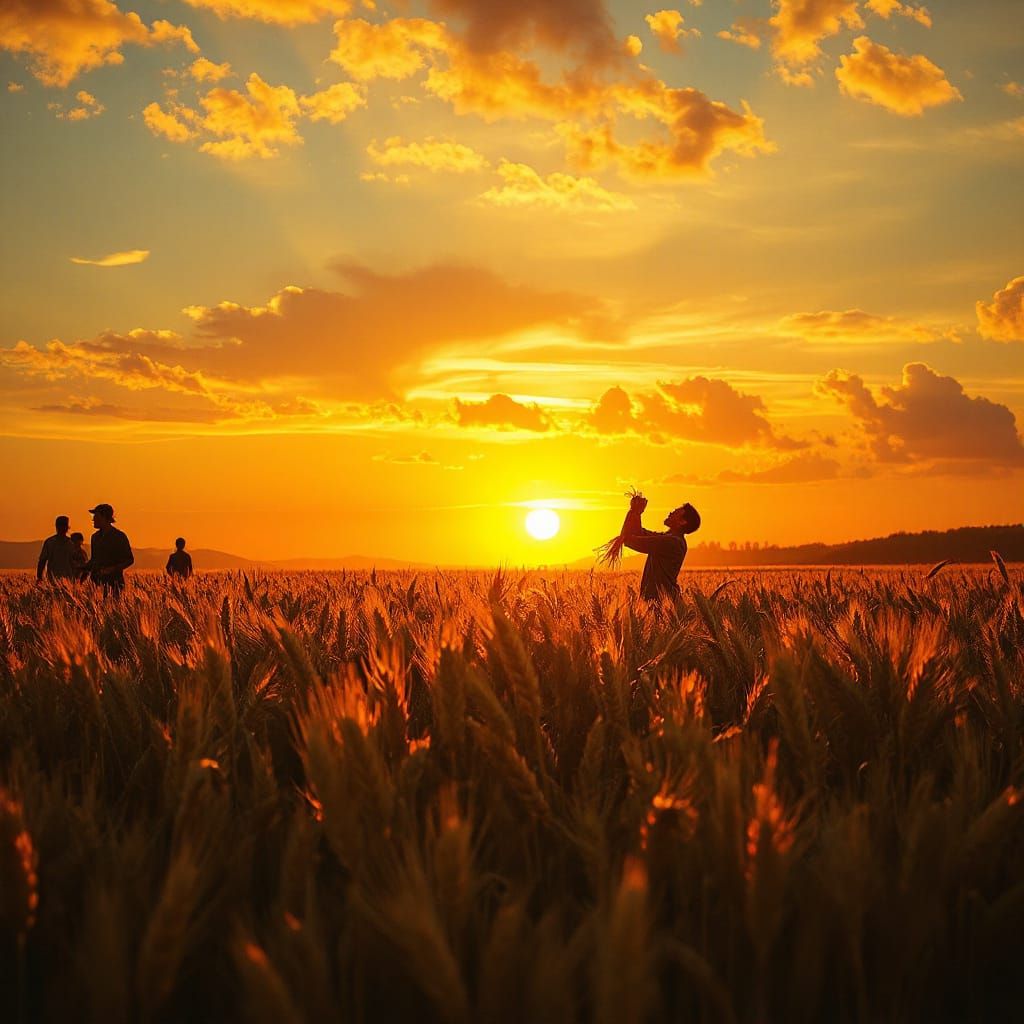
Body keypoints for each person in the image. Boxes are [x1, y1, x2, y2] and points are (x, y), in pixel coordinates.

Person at [620, 493, 700, 601]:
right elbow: (637, 533)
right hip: (659, 603)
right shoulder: (668, 538)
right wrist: (635, 513)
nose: (671, 512)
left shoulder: (672, 543)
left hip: (660, 603)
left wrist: (634, 512)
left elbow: (629, 540)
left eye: (676, 512)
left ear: (682, 522)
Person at [83, 503, 134, 594]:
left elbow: (129, 560)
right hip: (96, 583)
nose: (93, 519)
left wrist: (112, 569)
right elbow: (94, 559)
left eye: (96, 516)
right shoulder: (95, 537)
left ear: (104, 517)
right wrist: (82, 567)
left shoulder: (119, 536)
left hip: (114, 583)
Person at [37, 515, 76, 582]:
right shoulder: (72, 543)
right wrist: (39, 577)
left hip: (63, 580)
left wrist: (39, 578)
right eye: (61, 526)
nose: (62, 528)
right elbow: (42, 561)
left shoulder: (49, 542)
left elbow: (42, 561)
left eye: (63, 526)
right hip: (60, 580)